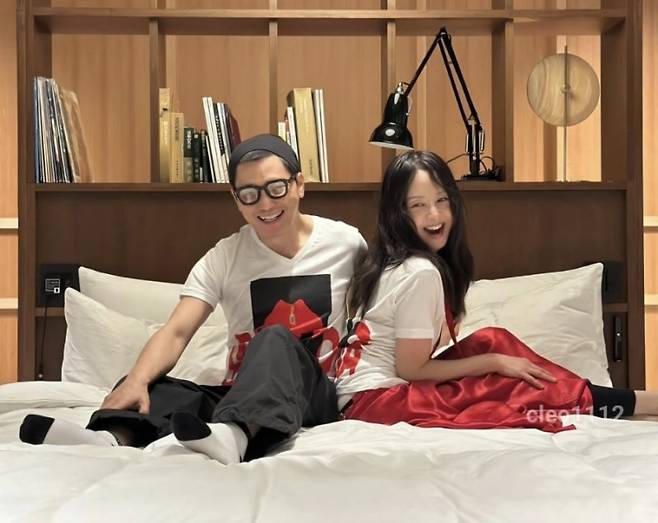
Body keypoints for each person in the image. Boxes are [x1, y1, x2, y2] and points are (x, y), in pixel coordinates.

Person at [19, 134, 367, 463]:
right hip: (244, 394)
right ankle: (111, 437)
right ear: (236, 199)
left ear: (299, 184)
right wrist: (138, 379)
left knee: (275, 336)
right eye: (249, 194)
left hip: (315, 396)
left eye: (276, 188)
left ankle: (237, 434)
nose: (265, 204)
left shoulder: (345, 243)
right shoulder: (225, 257)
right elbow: (176, 332)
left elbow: (378, 314)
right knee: (153, 385)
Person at [335, 150, 658, 432]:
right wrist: (494, 363)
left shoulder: (396, 262)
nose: (434, 215)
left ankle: (612, 400)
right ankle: (630, 403)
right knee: (504, 383)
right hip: (377, 403)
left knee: (492, 339)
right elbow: (411, 369)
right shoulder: (419, 272)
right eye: (418, 205)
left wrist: (493, 358)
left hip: (370, 397)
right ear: (398, 214)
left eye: (441, 200)